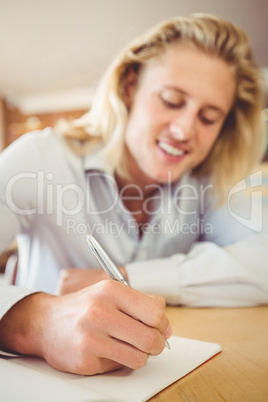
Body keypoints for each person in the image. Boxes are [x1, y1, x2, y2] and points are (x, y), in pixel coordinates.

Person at [0, 13, 267, 375]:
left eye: (209, 117)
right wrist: (35, 321)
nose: (185, 129)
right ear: (130, 86)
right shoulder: (41, 158)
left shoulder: (210, 178)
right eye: (172, 100)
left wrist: (130, 276)